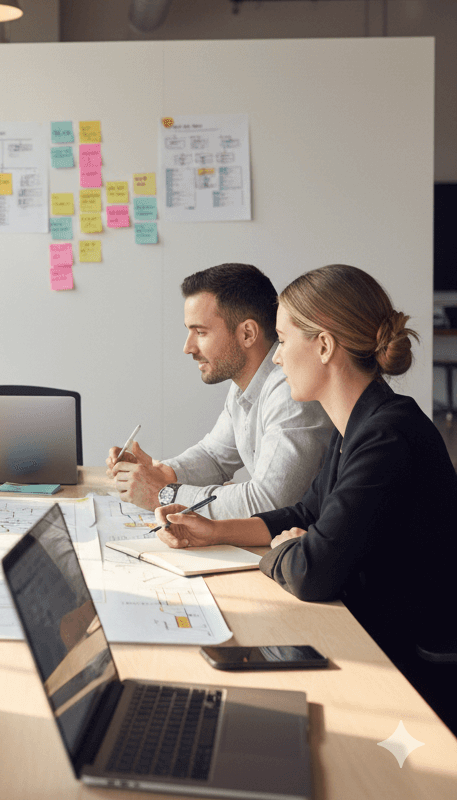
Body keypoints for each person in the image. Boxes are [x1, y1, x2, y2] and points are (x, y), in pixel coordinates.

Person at [155, 265, 457, 726]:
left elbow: (312, 570)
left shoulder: (387, 435)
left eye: (283, 340)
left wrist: (285, 548)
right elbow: (304, 512)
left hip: (415, 670)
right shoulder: (354, 424)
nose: (275, 358)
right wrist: (214, 530)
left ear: (323, 346)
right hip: (374, 630)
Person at [107, 263, 333, 518]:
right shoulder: (245, 384)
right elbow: (214, 456)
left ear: (247, 333)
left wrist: (163, 493)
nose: (188, 347)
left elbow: (269, 502)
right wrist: (162, 474)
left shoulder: (289, 389)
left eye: (200, 332)